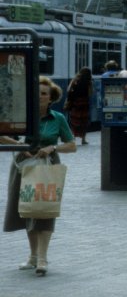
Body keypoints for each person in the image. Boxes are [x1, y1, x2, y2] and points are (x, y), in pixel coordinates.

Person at [1, 76, 76, 276]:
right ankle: (33, 256)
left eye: (43, 94)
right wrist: (20, 146)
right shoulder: (23, 115)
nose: (39, 97)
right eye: (36, 93)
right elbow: (2, 134)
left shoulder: (57, 118)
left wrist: (52, 146)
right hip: (23, 167)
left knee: (44, 210)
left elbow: (72, 145)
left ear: (50, 98)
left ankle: (42, 258)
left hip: (47, 166)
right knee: (28, 209)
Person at [65, 67, 93, 145]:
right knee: (84, 122)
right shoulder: (89, 82)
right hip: (84, 103)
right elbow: (90, 93)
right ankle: (83, 140)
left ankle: (73, 138)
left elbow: (68, 90)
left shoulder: (75, 80)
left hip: (75, 102)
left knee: (74, 120)